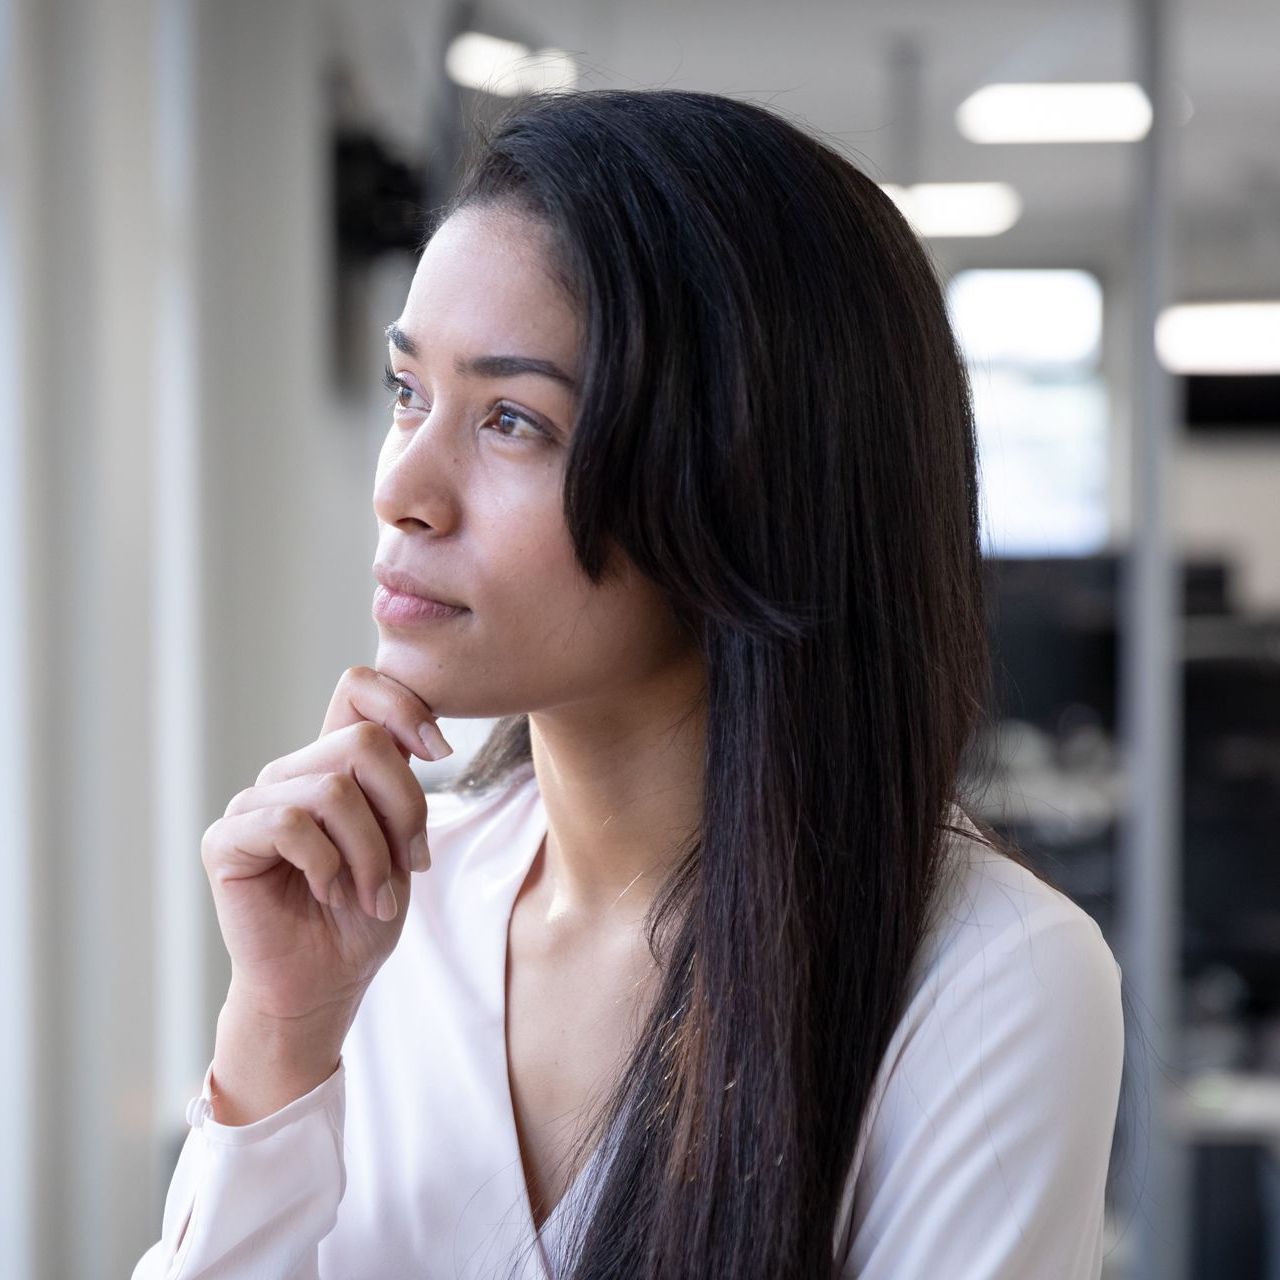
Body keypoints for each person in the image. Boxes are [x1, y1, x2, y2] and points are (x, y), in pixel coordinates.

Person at [132, 87, 1125, 1279]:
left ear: (743, 477)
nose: (406, 487)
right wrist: (280, 1029)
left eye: (510, 419)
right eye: (410, 393)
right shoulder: (389, 906)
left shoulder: (984, 969)